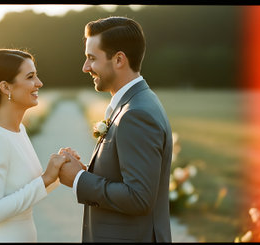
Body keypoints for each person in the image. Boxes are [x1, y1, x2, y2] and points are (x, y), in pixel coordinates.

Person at [58, 16, 173, 242]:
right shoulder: (136, 102)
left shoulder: (136, 114)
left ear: (119, 59)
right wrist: (86, 171)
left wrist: (79, 179)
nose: (85, 67)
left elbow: (139, 197)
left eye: (92, 58)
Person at [0, 49, 77, 242]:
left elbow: (29, 192)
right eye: (30, 77)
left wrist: (58, 169)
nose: (39, 83)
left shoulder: (19, 130)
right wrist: (45, 179)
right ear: (6, 87)